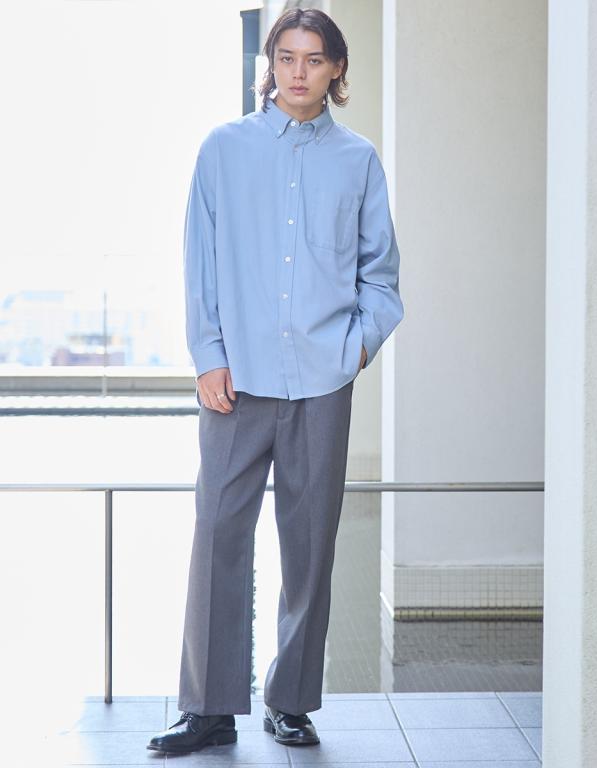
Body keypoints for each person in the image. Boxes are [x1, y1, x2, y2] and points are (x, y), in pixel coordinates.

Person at [147, 6, 403, 756]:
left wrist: (355, 350)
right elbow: (199, 261)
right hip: (236, 381)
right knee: (217, 534)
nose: (298, 71)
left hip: (322, 380)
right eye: (286, 57)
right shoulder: (223, 150)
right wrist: (207, 355)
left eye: (314, 59)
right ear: (270, 65)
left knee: (310, 544)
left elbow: (382, 276)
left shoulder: (358, 161)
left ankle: (290, 701)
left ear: (336, 70)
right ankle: (207, 707)